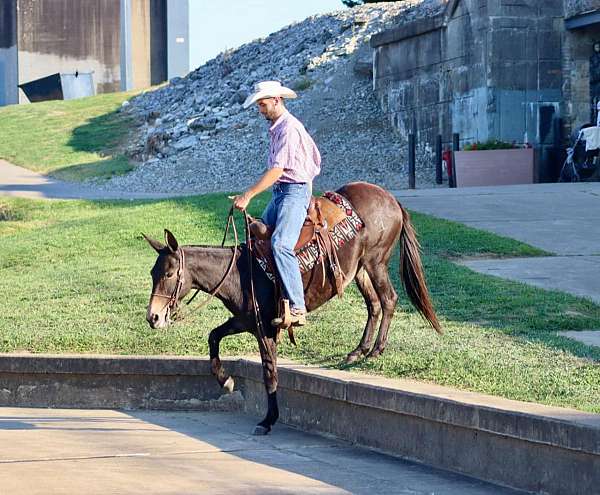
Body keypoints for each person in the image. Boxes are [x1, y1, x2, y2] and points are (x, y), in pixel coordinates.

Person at [233, 80, 322, 326]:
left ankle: (297, 306)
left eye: (262, 105)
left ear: (276, 100)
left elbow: (276, 170)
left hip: (295, 192)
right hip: (282, 192)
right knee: (256, 231)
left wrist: (248, 194)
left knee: (281, 244)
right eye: (258, 106)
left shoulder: (289, 129)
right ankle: (264, 291)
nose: (260, 110)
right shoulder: (277, 128)